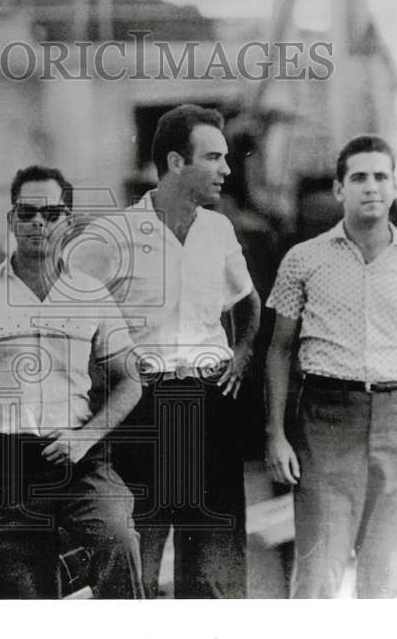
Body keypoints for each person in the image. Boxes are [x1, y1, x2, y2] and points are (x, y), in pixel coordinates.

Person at [69, 104, 261, 598]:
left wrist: (239, 356)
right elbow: (67, 314)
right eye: (214, 157)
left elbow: (248, 301)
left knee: (215, 567)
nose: (226, 170)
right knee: (139, 563)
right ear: (177, 162)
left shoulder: (218, 230)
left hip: (210, 407)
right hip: (141, 410)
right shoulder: (114, 236)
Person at [0, 165, 144, 599]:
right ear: (12, 219)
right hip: (2, 461)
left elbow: (130, 381)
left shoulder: (91, 293)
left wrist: (86, 438)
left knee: (117, 538)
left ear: (67, 221)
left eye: (51, 214)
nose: (38, 224)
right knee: (22, 594)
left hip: (77, 456)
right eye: (27, 214)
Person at [264, 135, 397, 599]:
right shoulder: (304, 259)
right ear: (339, 190)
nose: (371, 187)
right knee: (318, 576)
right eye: (359, 177)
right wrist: (275, 434)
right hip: (326, 420)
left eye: (381, 176)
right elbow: (278, 349)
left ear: (395, 187)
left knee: (393, 581)